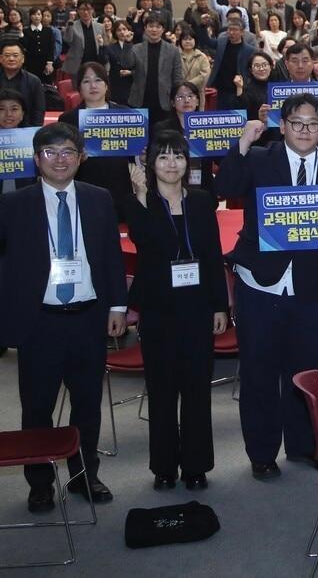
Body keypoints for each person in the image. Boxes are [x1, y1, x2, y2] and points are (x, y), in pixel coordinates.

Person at [215, 93, 318, 479]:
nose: (306, 130)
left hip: (311, 287)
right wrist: (241, 145)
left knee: (307, 371)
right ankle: (261, 452)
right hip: (259, 282)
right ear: (283, 124)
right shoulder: (260, 159)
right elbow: (224, 186)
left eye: (314, 123)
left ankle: (305, 444)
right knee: (259, 371)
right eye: (297, 123)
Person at [0, 123, 127, 512]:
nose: (60, 159)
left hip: (88, 319)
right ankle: (39, 483)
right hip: (39, 322)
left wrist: (117, 306)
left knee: (87, 405)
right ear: (36, 159)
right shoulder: (13, 205)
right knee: (37, 407)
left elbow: (110, 255)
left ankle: (84, 473)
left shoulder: (98, 198)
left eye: (68, 151)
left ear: (81, 157)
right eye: (51, 152)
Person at [124, 130, 228, 491]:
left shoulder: (201, 201)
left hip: (198, 307)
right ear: (150, 164)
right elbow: (146, 242)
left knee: (197, 389)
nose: (172, 164)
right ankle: (164, 466)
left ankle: (197, 465)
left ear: (188, 162)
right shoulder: (141, 201)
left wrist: (220, 305)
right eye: (163, 157)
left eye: (178, 156)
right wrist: (140, 196)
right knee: (163, 390)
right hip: (158, 308)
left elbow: (213, 256)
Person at [58, 61, 133, 218]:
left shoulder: (125, 114)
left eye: (98, 80)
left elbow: (134, 155)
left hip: (119, 187)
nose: (93, 86)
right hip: (84, 185)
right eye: (86, 81)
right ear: (79, 88)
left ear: (106, 85)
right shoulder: (68, 119)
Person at [126, 13, 183, 125]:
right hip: (140, 100)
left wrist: (176, 99)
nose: (154, 30)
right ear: (145, 28)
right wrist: (128, 43)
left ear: (163, 29)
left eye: (158, 27)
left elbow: (177, 78)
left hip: (164, 101)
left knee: (162, 136)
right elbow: (126, 63)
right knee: (140, 139)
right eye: (151, 26)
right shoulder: (136, 48)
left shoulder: (173, 50)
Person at [0, 39, 44, 126]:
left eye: (15, 55)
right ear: (1, 59)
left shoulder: (34, 81)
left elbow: (38, 110)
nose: (11, 59)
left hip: (24, 129)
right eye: (7, 55)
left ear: (23, 59)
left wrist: (33, 131)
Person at [61, 0, 104, 78]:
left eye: (88, 9)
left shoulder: (100, 27)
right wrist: (70, 21)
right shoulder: (72, 25)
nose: (86, 12)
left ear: (93, 10)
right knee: (78, 89)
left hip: (96, 64)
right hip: (78, 65)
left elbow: (105, 47)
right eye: (83, 9)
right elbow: (67, 40)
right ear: (77, 10)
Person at [235, 50, 273, 122]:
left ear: (270, 67)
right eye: (257, 66)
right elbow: (242, 116)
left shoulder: (278, 86)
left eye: (264, 65)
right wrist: (239, 87)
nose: (261, 69)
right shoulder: (246, 89)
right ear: (251, 70)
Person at [21, 7, 55, 83]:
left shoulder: (48, 31)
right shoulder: (26, 31)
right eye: (34, 14)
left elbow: (51, 47)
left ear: (41, 16)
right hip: (31, 63)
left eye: (39, 14)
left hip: (45, 63)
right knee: (32, 84)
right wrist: (21, 34)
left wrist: (49, 63)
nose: (36, 16)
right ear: (30, 16)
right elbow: (24, 46)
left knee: (46, 85)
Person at [178, 29, 210, 96]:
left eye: (190, 39)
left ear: (195, 40)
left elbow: (204, 75)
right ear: (180, 41)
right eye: (185, 39)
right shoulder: (176, 56)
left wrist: (189, 84)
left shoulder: (201, 56)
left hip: (197, 93)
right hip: (179, 92)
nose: (187, 41)